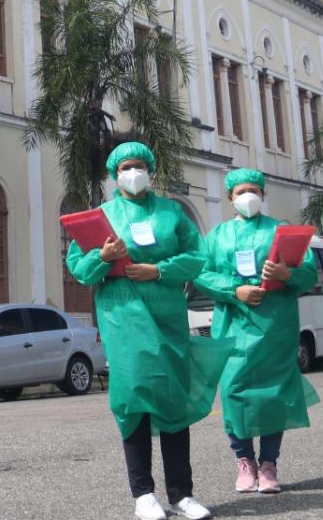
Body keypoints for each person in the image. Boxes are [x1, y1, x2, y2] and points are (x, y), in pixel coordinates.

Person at [65, 141, 231, 520]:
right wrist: (102, 257)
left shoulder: (171, 213)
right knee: (134, 399)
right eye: (125, 167)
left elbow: (196, 258)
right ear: (113, 174)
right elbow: (79, 267)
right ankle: (143, 493)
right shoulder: (101, 216)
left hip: (168, 317)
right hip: (123, 317)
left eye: (138, 165)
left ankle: (182, 494)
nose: (132, 172)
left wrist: (158, 271)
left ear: (149, 169)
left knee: (173, 399)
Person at [194, 169, 320, 495]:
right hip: (233, 326)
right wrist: (235, 290)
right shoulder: (217, 236)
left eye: (253, 189)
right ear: (229, 197)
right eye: (240, 191)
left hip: (275, 327)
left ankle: (269, 464)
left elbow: (308, 274)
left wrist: (285, 273)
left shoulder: (282, 231)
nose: (247, 196)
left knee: (272, 394)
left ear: (263, 194)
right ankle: (245, 460)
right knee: (234, 392)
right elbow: (201, 274)